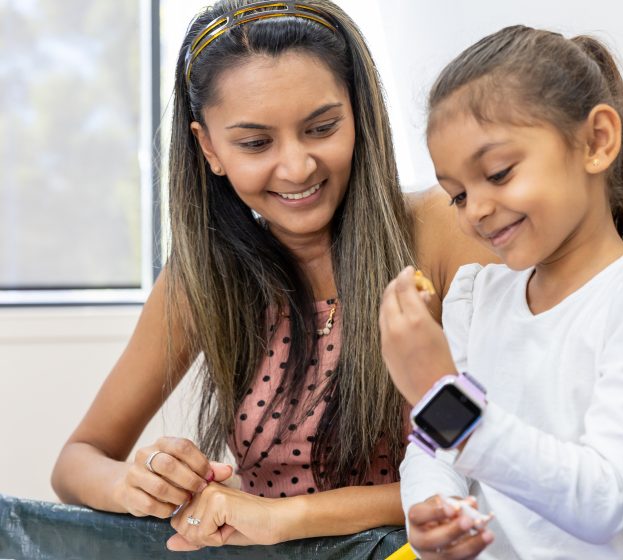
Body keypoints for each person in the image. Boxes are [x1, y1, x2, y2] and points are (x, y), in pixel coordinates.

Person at [50, 0, 491, 552]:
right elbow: (76, 463)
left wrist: (286, 516)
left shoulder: (446, 232)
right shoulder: (205, 278)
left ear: (359, 114)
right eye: (256, 143)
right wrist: (137, 483)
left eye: (322, 128)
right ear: (209, 147)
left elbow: (495, 466)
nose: (297, 166)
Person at [379, 25, 623, 559]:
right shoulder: (476, 297)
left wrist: (437, 390)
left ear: (597, 141)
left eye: (498, 173)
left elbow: (603, 500)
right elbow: (433, 449)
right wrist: (432, 508)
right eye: (458, 195)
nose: (476, 210)